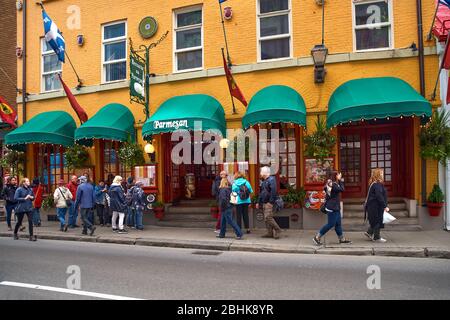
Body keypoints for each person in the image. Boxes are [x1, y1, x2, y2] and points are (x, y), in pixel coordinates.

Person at [313, 172, 352, 245]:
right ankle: (317, 237)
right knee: (330, 224)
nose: (340, 175)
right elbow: (342, 189)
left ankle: (341, 239)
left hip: (335, 207)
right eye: (338, 175)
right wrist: (340, 180)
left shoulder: (331, 184)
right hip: (332, 207)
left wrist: (339, 181)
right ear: (335, 176)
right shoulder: (333, 185)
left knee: (338, 224)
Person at [256, 166, 282, 239]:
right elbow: (261, 193)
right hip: (265, 202)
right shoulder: (264, 181)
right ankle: (269, 233)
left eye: (261, 172)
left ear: (264, 173)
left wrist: (270, 202)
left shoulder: (271, 179)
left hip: (269, 202)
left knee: (268, 217)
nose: (260, 173)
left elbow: (274, 191)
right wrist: (258, 202)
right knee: (266, 218)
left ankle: (277, 229)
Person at [364, 168, 389, 243]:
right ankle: (376, 237)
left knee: (376, 220)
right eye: (381, 173)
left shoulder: (374, 184)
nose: (382, 174)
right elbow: (379, 196)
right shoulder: (377, 184)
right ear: (378, 175)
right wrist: (385, 206)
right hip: (375, 206)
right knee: (378, 220)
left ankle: (369, 232)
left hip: (374, 206)